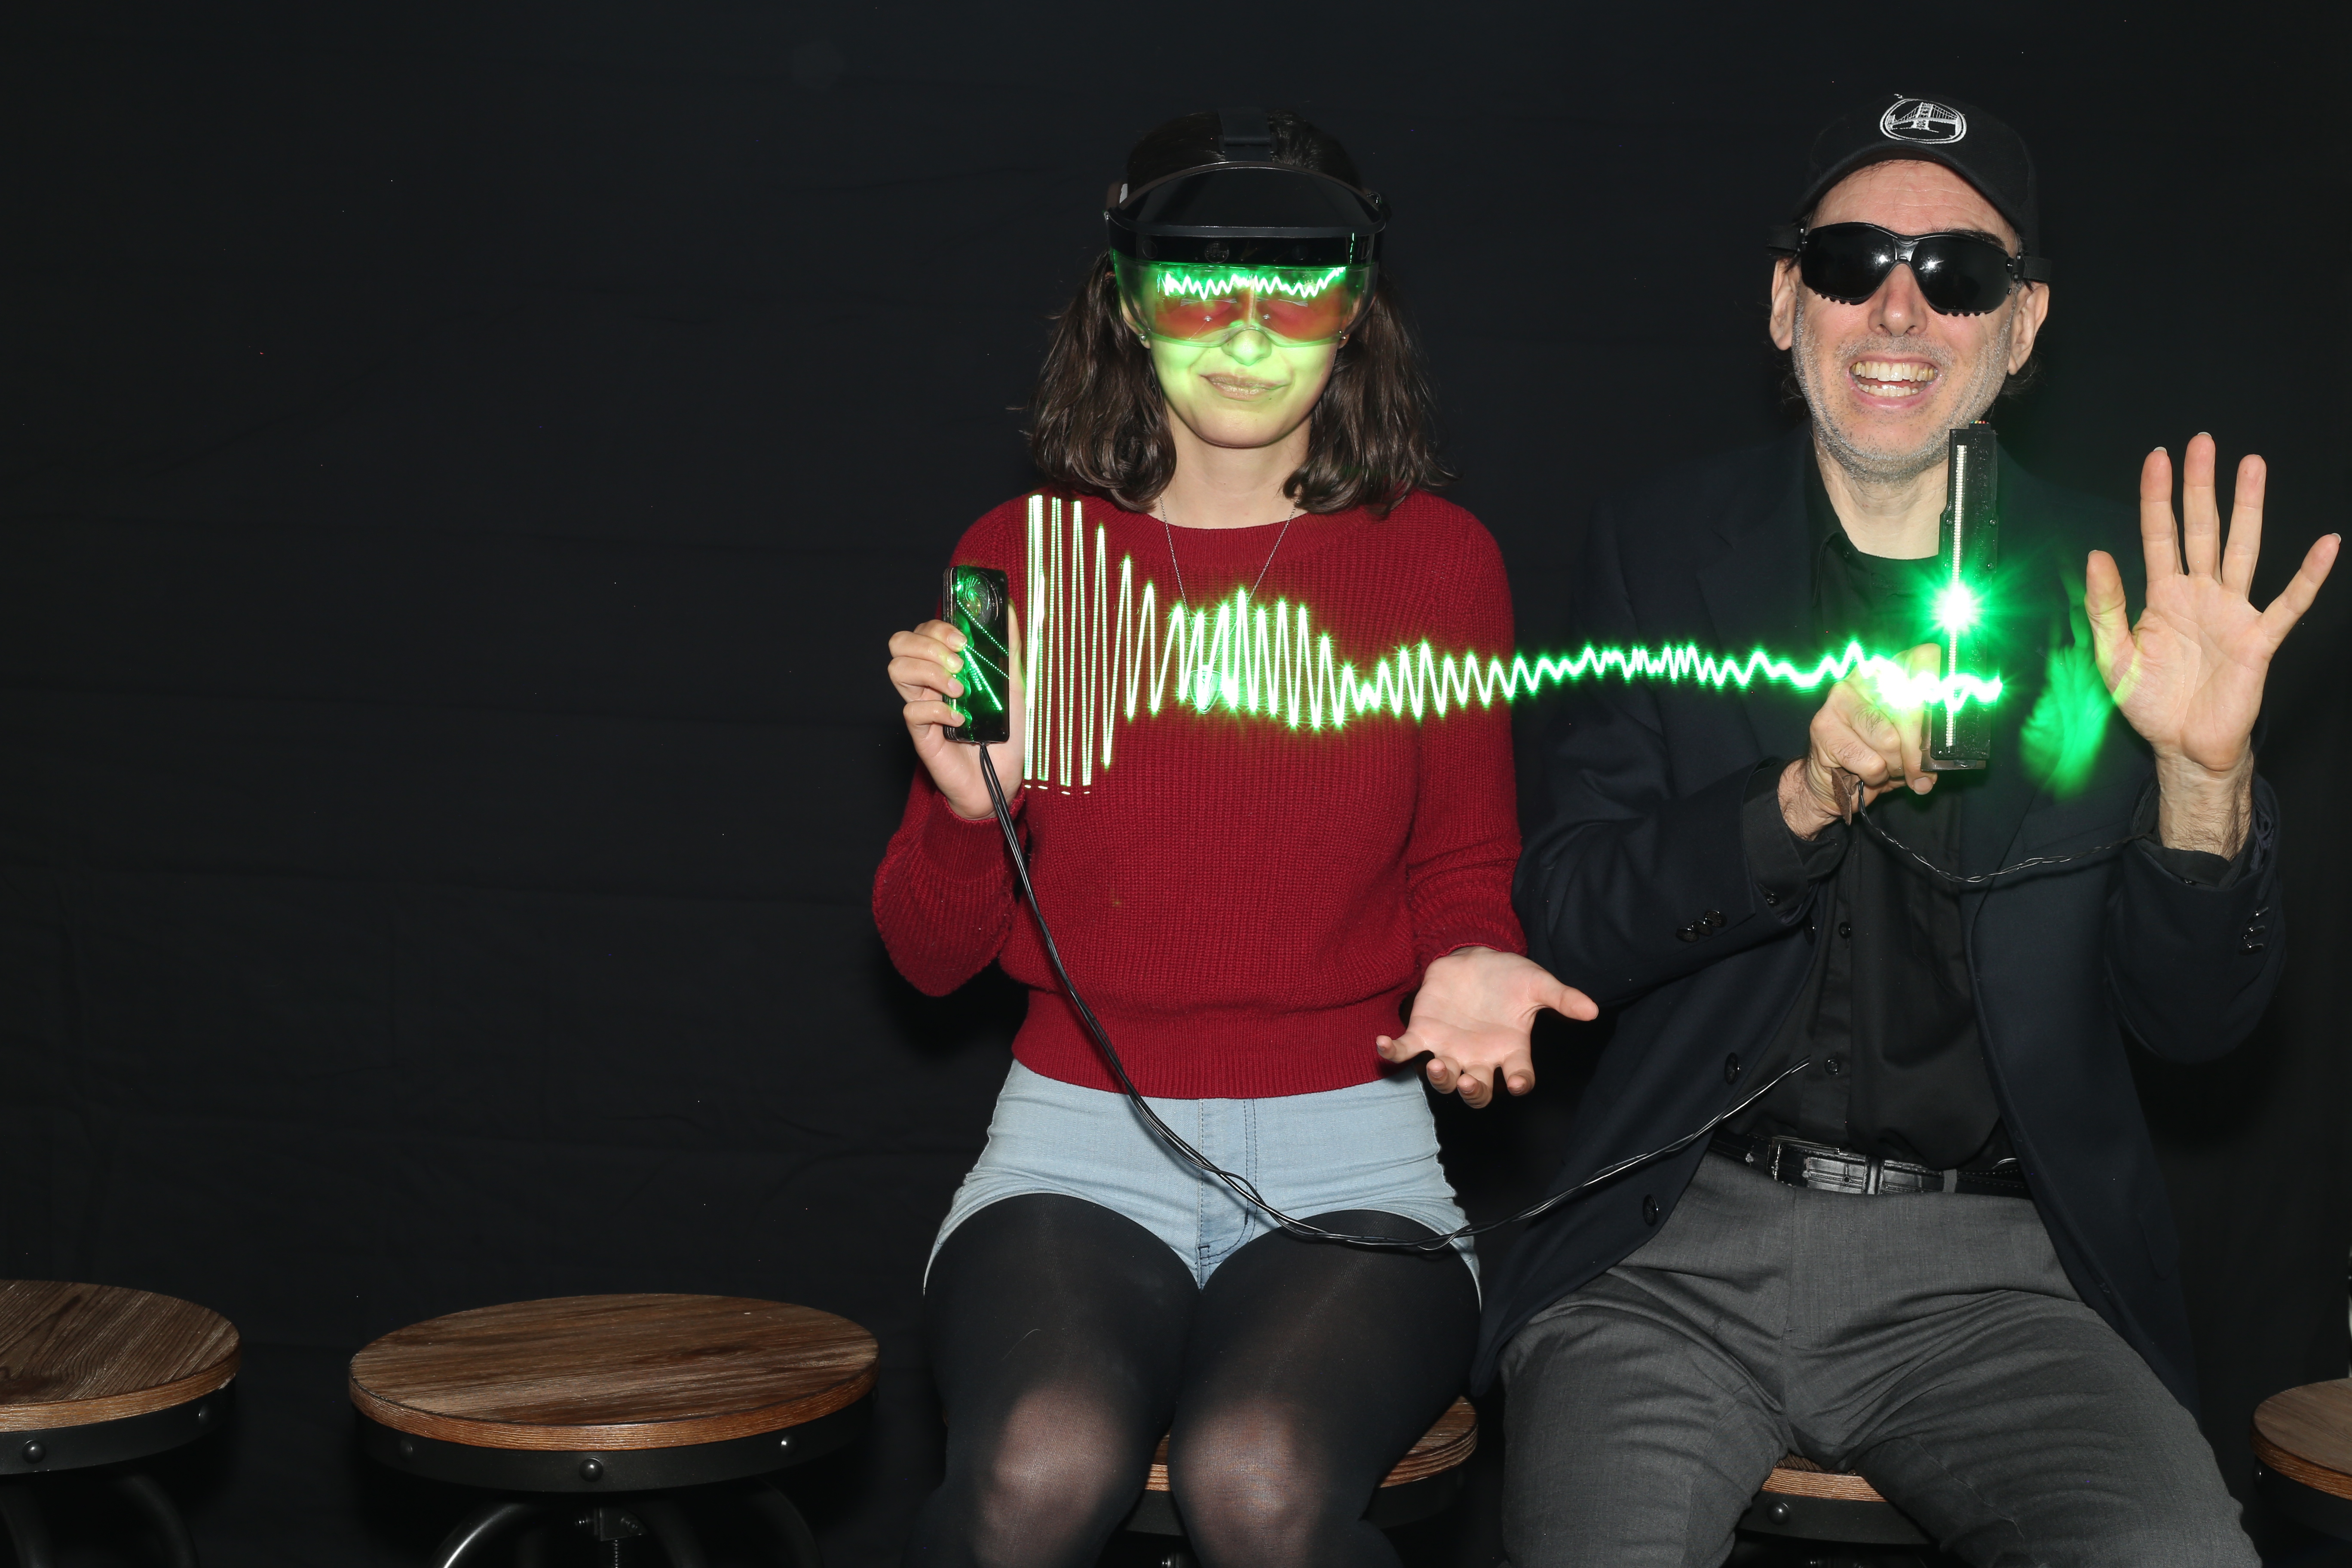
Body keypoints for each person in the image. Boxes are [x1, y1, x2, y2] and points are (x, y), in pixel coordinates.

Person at [1479, 93, 2339, 1566]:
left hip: (1999, 1279)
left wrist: (2205, 776)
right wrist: (1794, 803)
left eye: (1959, 273)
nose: (1898, 307)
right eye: (1851, 261)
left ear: (2023, 323)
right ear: (1784, 302)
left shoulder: (2129, 601)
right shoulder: (1662, 548)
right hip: (1676, 1251)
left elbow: (2197, 1028)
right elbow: (1569, 915)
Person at [873, 108, 1589, 1568]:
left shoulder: (1437, 560)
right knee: (1035, 1464)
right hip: (1073, 1147)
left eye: (1295, 286)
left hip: (1354, 1155)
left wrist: (1476, 958)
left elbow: (1464, 864)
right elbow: (930, 962)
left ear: (1356, 309)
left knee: (1257, 1475)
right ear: (1130, 304)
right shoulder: (1024, 558)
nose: (1248, 334)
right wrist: (967, 816)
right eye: (1201, 285)